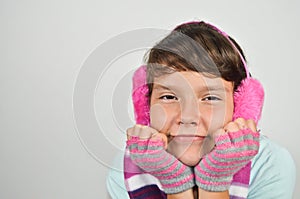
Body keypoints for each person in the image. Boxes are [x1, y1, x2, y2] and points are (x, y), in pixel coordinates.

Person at [106, 21, 296, 199]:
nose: (188, 117)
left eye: (210, 98)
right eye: (169, 97)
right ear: (146, 108)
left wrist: (216, 179)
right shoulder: (126, 168)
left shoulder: (271, 163)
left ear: (241, 109)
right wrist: (175, 181)